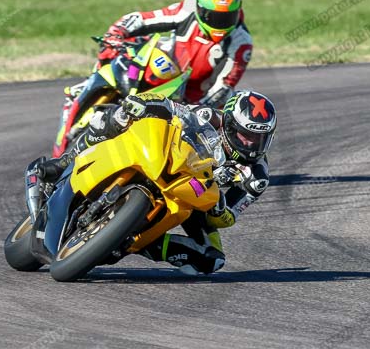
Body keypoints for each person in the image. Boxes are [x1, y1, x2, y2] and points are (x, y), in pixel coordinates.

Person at [36, 90, 276, 276]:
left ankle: (136, 242)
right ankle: (63, 163)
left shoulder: (257, 177)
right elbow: (173, 108)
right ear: (230, 125)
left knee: (212, 259)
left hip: (198, 199)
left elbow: (229, 217)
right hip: (172, 162)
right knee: (111, 117)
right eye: (248, 135)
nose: (252, 143)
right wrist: (144, 103)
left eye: (260, 138)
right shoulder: (209, 116)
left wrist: (220, 209)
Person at [63, 0, 254, 111]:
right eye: (214, 17)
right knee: (124, 45)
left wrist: (198, 110)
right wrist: (116, 33)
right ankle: (89, 85)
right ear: (200, 8)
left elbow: (223, 87)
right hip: (165, 70)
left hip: (194, 98)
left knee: (227, 115)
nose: (219, 24)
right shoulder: (187, 10)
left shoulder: (241, 42)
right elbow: (143, 19)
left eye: (228, 17)